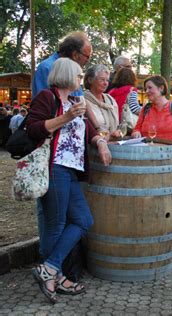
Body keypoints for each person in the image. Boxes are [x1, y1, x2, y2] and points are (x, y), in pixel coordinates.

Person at [27, 58, 112, 304]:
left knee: (84, 219)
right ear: (66, 75)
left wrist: (101, 141)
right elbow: (33, 129)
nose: (80, 80)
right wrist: (65, 117)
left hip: (72, 171)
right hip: (54, 168)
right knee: (56, 224)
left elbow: (90, 130)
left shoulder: (76, 101)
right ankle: (55, 277)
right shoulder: (47, 97)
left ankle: (50, 269)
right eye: (78, 76)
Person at [32, 31, 92, 97]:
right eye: (87, 57)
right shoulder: (48, 68)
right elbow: (44, 103)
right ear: (75, 55)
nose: (87, 61)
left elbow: (79, 98)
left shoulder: (74, 71)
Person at [83, 64, 121, 138]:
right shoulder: (83, 100)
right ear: (90, 80)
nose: (106, 83)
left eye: (107, 80)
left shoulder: (110, 100)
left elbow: (118, 126)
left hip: (113, 143)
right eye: (102, 79)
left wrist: (119, 132)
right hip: (93, 145)